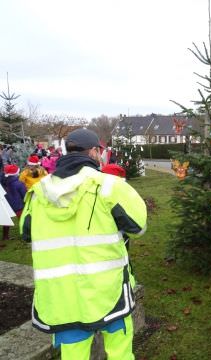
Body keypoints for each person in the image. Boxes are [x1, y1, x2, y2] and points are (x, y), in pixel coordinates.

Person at [20, 128, 147, 359]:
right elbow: (138, 227)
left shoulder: (38, 193)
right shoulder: (110, 186)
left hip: (62, 299)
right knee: (120, 354)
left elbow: (25, 233)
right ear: (96, 152)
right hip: (109, 294)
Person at [2, 164, 26, 240]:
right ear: (16, 173)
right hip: (18, 206)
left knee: (6, 221)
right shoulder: (19, 183)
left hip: (7, 206)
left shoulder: (2, 183)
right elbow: (24, 195)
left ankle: (5, 236)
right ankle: (25, 235)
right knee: (22, 221)